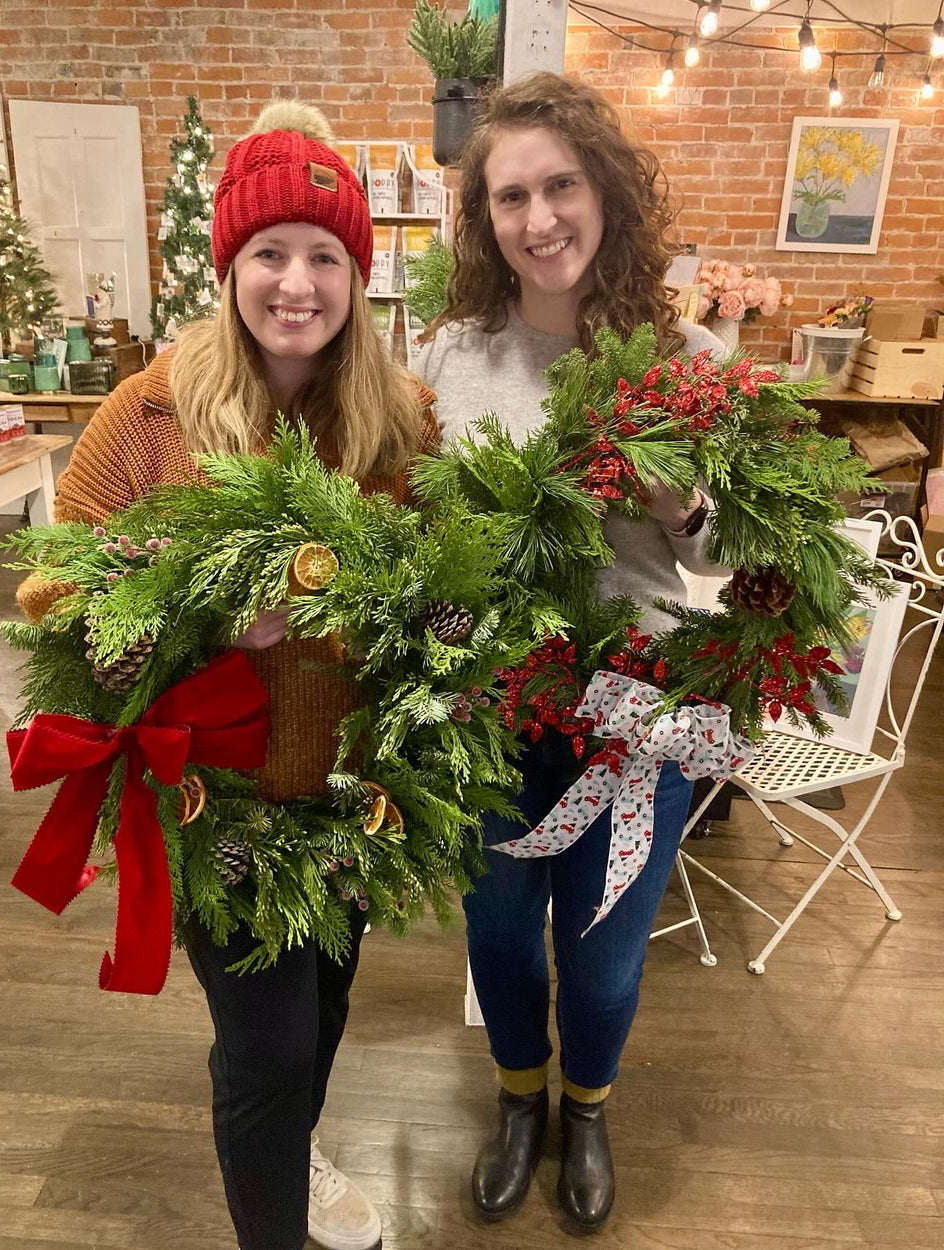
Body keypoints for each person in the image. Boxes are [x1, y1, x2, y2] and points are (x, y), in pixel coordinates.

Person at [17, 100, 438, 1250]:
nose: (295, 283)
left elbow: (443, 584)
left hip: (355, 799)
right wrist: (201, 613)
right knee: (264, 1048)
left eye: (323, 256)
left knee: (329, 1002)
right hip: (217, 801)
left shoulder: (399, 419)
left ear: (357, 272)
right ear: (228, 265)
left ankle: (294, 1146)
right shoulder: (150, 411)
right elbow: (49, 588)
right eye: (268, 253)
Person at [416, 72, 726, 1230]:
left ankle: (585, 1109)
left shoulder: (680, 350)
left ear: (604, 190)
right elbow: (421, 523)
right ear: (483, 218)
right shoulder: (451, 352)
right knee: (498, 935)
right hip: (489, 709)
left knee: (598, 958)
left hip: (633, 714)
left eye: (559, 185)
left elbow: (734, 552)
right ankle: (517, 1099)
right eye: (510, 196)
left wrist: (680, 497)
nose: (538, 217)